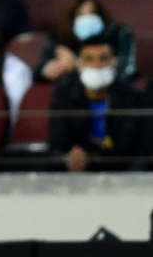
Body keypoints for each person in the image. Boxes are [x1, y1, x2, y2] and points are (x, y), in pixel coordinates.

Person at [48, 33, 145, 171]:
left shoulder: (131, 96)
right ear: (79, 65)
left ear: (114, 63)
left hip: (119, 168)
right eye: (89, 59)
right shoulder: (63, 95)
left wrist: (90, 159)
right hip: (75, 168)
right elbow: (57, 144)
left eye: (103, 58)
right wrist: (70, 158)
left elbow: (127, 148)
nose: (97, 65)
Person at [34, 0, 136, 83]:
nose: (87, 19)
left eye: (92, 13)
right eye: (81, 14)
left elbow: (128, 71)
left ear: (101, 16)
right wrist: (48, 70)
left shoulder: (118, 34)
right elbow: (38, 72)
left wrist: (77, 66)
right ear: (72, 18)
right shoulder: (60, 38)